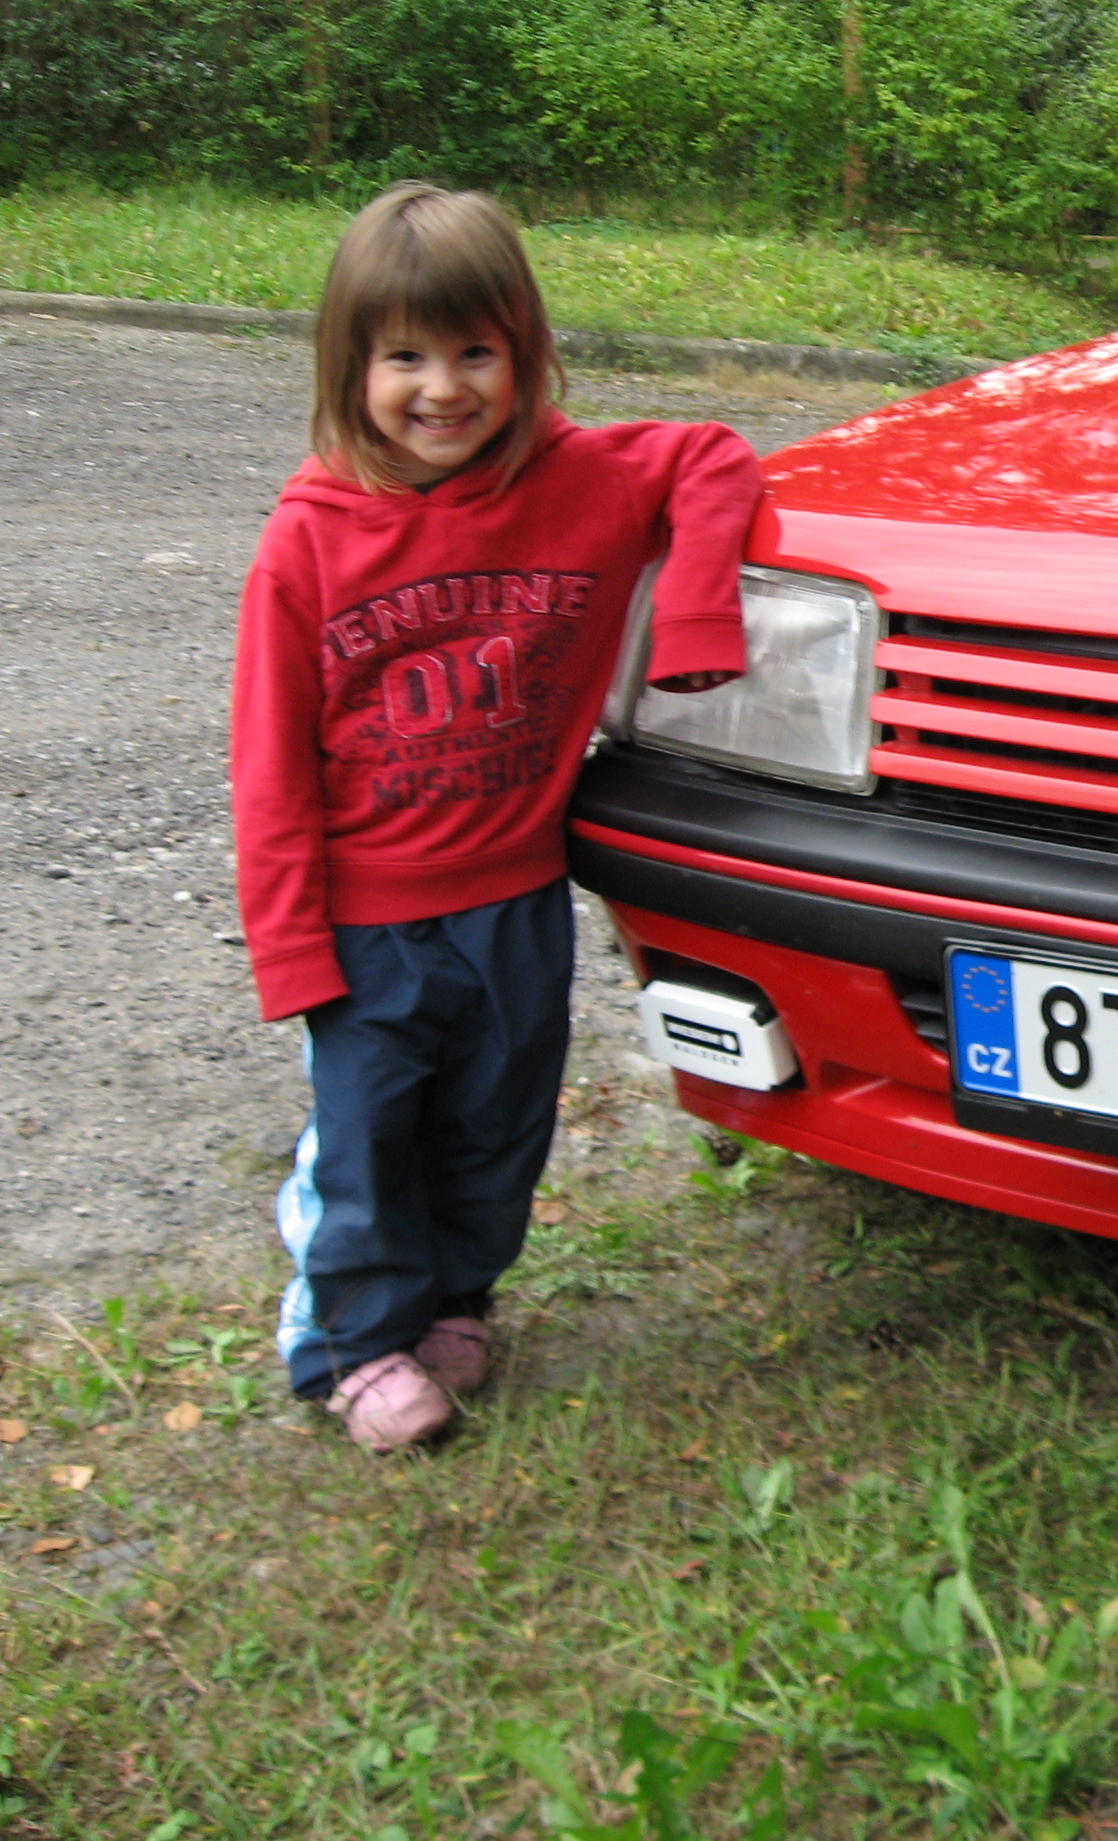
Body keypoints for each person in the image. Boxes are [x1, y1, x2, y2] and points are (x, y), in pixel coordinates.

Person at [231, 180, 763, 1452]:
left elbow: (713, 456)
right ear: (349, 365)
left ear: (524, 350)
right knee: (368, 1143)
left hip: (516, 903)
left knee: (496, 1126)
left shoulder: (578, 481)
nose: (443, 389)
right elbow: (269, 765)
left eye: (476, 352)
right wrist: (290, 946)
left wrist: (695, 616)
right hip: (368, 924)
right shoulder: (309, 542)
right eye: (403, 358)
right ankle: (351, 1344)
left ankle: (456, 1298)